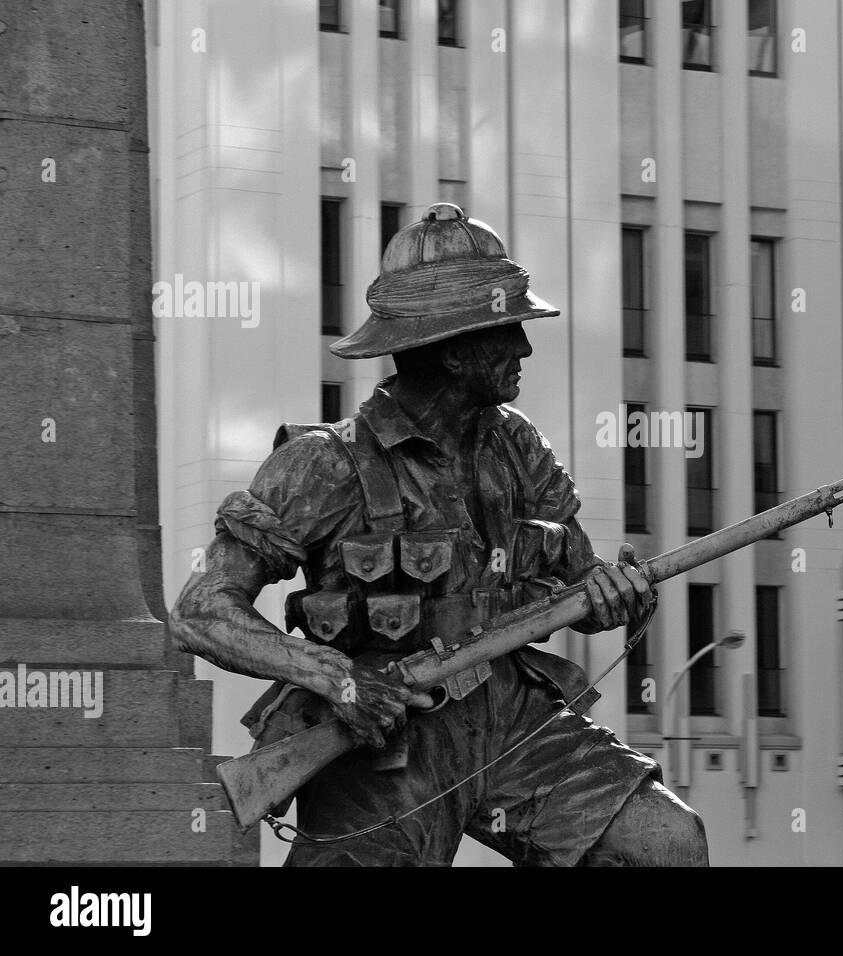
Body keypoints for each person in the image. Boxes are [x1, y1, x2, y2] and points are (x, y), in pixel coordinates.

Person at [168, 203, 708, 867]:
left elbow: (575, 577)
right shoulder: (323, 463)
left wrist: (615, 594)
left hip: (511, 715)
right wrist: (335, 679)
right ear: (455, 353)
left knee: (665, 845)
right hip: (384, 736)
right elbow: (200, 611)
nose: (524, 347)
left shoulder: (517, 444)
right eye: (506, 328)